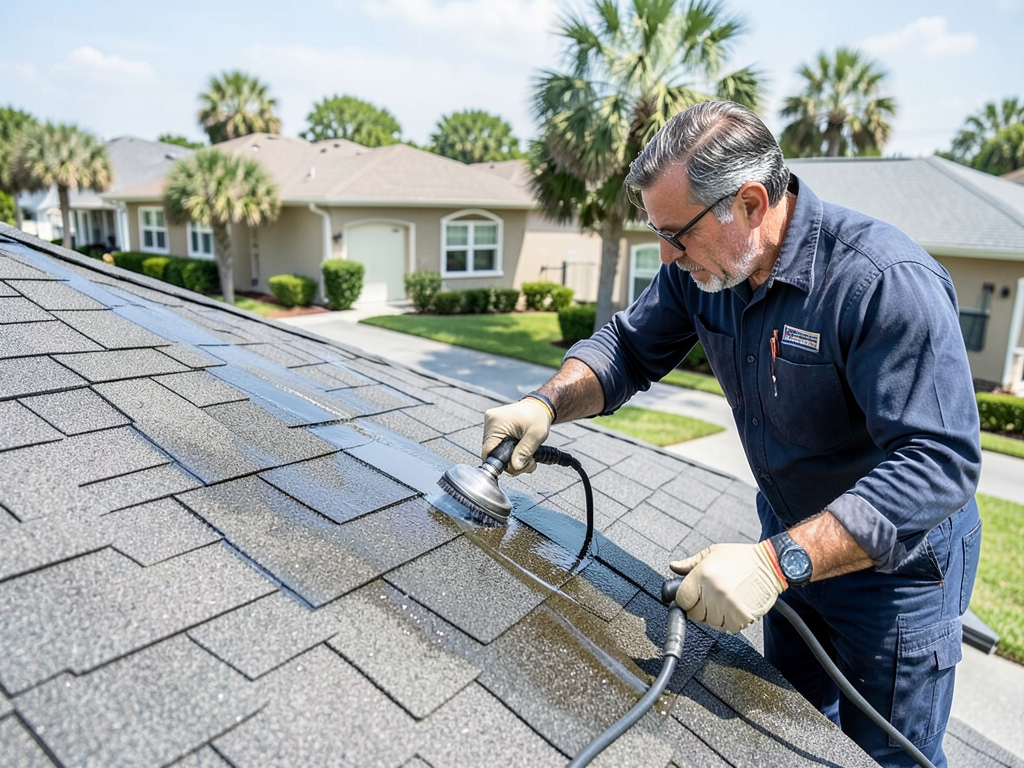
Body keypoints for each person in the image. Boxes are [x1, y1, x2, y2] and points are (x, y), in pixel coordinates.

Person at [481, 101, 982, 768]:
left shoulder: (881, 282)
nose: (665, 254)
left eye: (676, 234)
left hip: (896, 577)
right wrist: (546, 403)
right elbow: (629, 350)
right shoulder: (707, 268)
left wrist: (775, 563)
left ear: (749, 203)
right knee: (789, 733)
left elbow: (937, 463)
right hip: (791, 548)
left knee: (884, 759)